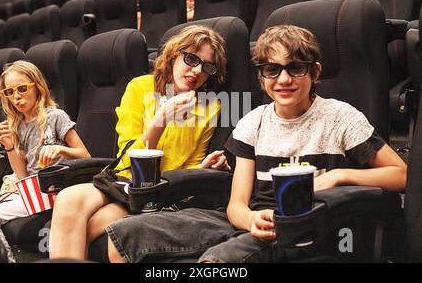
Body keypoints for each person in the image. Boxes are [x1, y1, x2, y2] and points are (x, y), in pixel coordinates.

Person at [105, 25, 407, 263]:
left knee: (219, 261)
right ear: (262, 78)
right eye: (272, 70)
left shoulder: (341, 117)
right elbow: (236, 204)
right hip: (249, 222)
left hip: (303, 226)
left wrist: (341, 175)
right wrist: (249, 219)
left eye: (296, 68)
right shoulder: (253, 121)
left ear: (314, 73)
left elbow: (402, 175)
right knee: (124, 233)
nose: (283, 79)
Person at [49, 25, 230, 260]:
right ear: (174, 55)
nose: (197, 71)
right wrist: (160, 120)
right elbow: (126, 159)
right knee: (67, 198)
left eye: (207, 66)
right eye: (191, 59)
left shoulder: (210, 107)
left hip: (161, 192)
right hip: (124, 180)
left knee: (96, 224)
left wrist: (204, 167)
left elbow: (189, 169)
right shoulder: (139, 87)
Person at [0, 60, 90, 263]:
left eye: (22, 89)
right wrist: (9, 145)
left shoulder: (55, 117)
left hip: (54, 190)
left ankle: (6, 259)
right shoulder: (17, 123)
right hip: (31, 190)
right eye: (9, 92)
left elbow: (86, 156)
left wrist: (61, 148)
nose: (16, 97)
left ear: (38, 87)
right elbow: (22, 176)